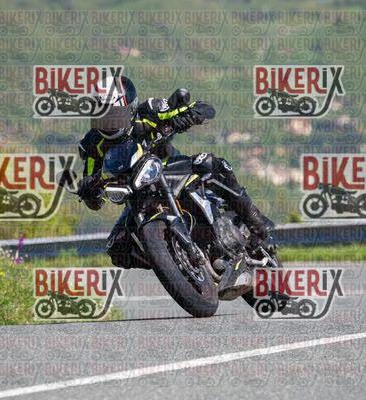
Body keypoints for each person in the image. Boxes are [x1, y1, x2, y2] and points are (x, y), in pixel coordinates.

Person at [76, 76, 273, 290]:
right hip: (135, 194)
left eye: (114, 114)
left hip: (169, 169)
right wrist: (88, 190)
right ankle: (172, 261)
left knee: (209, 163)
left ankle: (254, 219)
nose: (109, 121)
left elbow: (204, 109)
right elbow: (91, 183)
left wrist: (188, 115)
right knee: (117, 247)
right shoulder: (92, 143)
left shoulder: (149, 111)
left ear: (129, 108)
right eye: (102, 115)